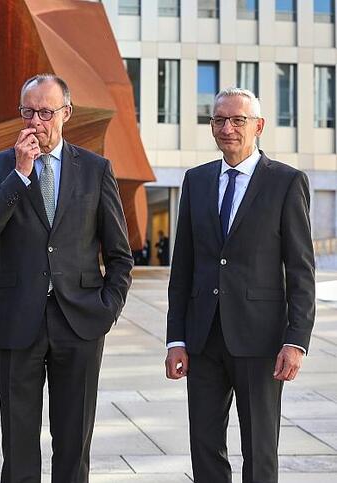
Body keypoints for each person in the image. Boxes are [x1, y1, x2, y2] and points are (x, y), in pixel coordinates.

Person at [0, 74, 133, 482]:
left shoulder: (95, 169)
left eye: (45, 112)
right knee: (18, 443)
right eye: (28, 112)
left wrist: (106, 310)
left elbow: (119, 254)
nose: (35, 121)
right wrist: (19, 174)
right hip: (16, 321)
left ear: (66, 114)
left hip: (80, 321)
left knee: (74, 444)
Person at [165, 87, 315, 483]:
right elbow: (183, 268)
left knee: (260, 449)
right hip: (202, 339)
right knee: (204, 447)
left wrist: (296, 340)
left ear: (258, 126)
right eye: (219, 120)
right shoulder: (196, 181)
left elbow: (301, 270)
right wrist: (175, 338)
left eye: (237, 120)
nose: (227, 128)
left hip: (261, 341)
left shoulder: (286, 182)